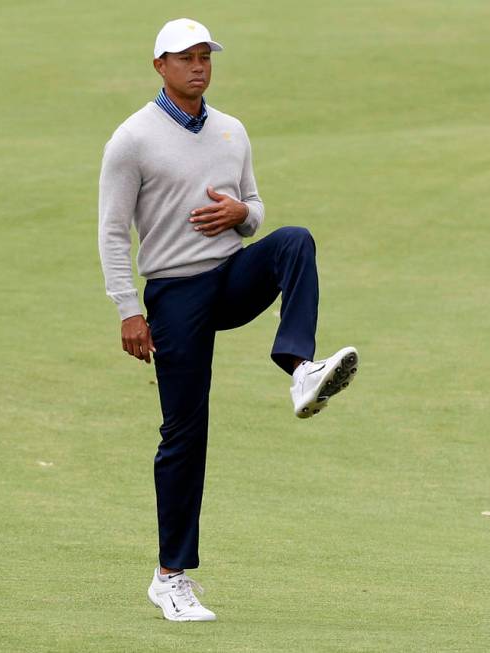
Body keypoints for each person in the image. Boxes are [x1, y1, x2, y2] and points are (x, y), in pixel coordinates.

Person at [97, 18, 359, 622]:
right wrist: (128, 310)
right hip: (172, 295)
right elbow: (113, 233)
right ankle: (170, 577)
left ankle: (299, 367)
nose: (198, 66)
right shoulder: (132, 139)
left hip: (230, 275)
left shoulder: (231, 130)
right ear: (159, 66)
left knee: (294, 240)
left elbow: (256, 209)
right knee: (185, 434)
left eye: (204, 57)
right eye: (185, 58)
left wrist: (244, 214)